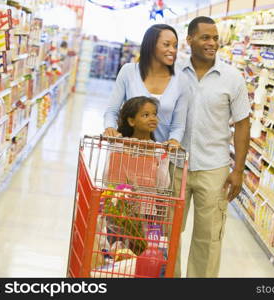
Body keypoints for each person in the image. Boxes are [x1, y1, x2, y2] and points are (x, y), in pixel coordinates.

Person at [173, 16, 251, 277]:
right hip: (175, 165)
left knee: (209, 238)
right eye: (205, 37)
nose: (212, 43)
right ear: (190, 39)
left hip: (213, 168)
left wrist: (238, 169)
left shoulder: (232, 77)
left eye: (215, 38)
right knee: (168, 233)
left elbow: (242, 124)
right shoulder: (174, 72)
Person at [104, 24, 189, 147]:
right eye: (166, 44)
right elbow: (112, 111)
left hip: (160, 155)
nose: (173, 50)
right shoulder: (129, 71)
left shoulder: (181, 80)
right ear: (151, 46)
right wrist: (110, 127)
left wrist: (174, 140)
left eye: (175, 46)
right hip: (127, 151)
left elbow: (178, 125)